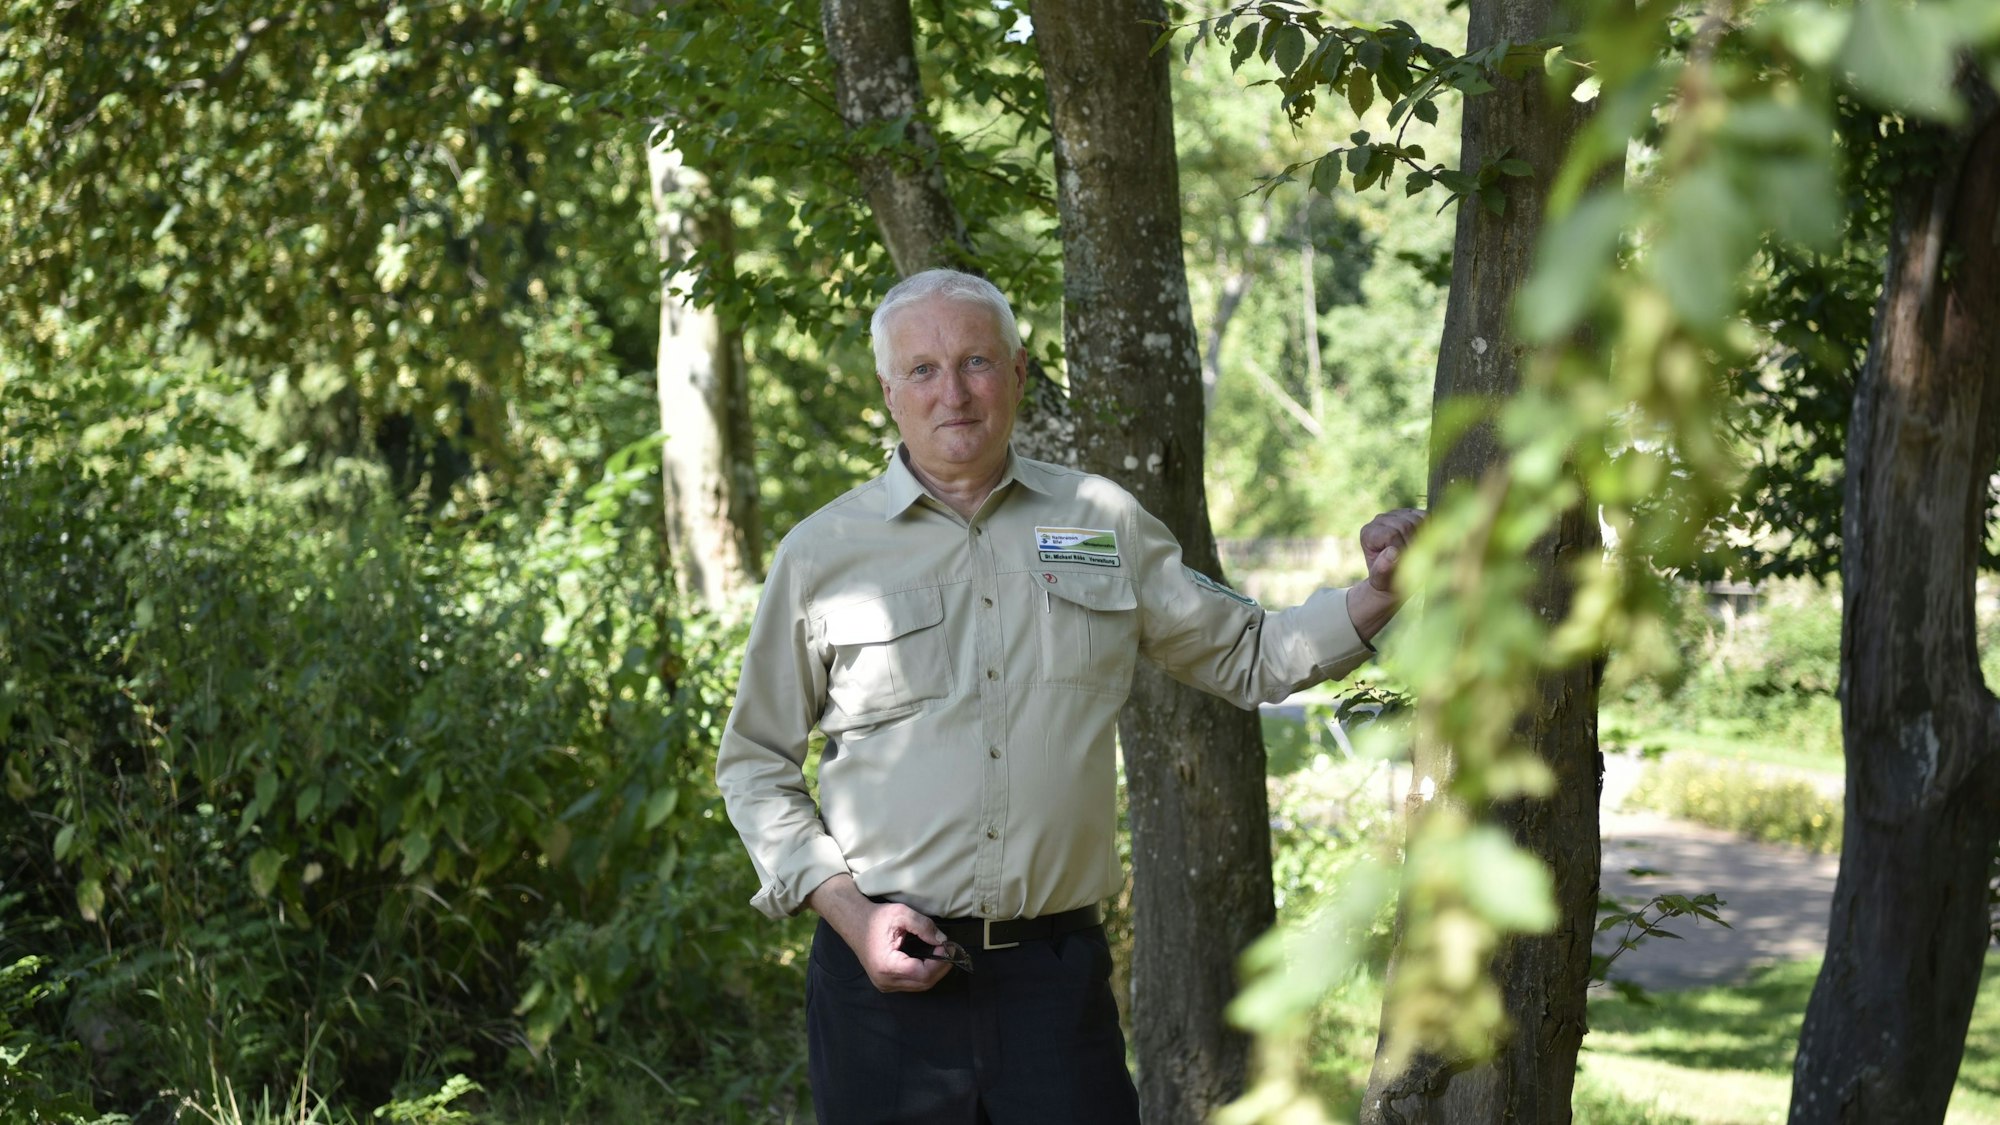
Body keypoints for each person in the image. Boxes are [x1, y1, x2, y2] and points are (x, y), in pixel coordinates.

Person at [716, 268, 1421, 1123]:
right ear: (888, 392)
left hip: (1054, 985)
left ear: (1016, 373)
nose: (955, 392)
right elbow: (756, 762)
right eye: (924, 370)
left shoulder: (1098, 521)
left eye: (977, 361)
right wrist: (845, 909)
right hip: (881, 986)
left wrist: (1380, 591)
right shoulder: (820, 553)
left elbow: (1248, 652)